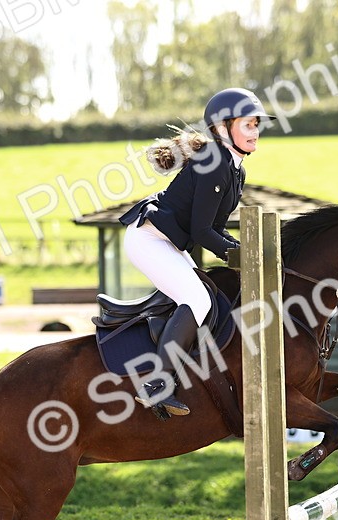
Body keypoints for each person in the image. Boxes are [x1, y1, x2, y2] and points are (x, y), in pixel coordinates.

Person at [117, 87, 273, 418]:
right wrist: (241, 258)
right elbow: (203, 233)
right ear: (221, 128)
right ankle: (156, 384)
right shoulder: (214, 162)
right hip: (148, 239)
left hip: (167, 242)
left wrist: (245, 252)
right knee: (199, 300)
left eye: (257, 124)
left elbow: (215, 227)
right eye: (248, 124)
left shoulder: (235, 169)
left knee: (209, 298)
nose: (255, 131)